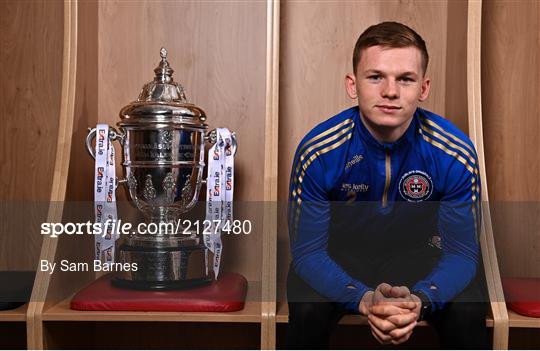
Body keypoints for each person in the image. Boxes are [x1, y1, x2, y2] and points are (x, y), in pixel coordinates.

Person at [286, 21, 488, 349]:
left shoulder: (454, 152)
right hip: (340, 258)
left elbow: (462, 253)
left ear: (423, 88)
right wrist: (362, 298)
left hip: (420, 259)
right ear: (353, 85)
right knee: (308, 308)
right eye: (376, 76)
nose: (390, 91)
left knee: (467, 310)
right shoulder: (320, 151)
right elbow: (308, 253)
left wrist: (421, 299)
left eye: (405, 79)